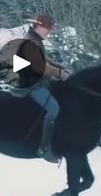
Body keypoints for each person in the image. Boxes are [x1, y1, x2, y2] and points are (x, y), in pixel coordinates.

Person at [18, 13, 70, 163]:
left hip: (39, 82)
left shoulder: (35, 40)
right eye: (47, 28)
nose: (50, 31)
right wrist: (59, 73)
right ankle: (44, 148)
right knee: (54, 109)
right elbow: (39, 66)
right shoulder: (30, 42)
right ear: (38, 26)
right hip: (31, 86)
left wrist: (60, 66)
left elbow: (45, 59)